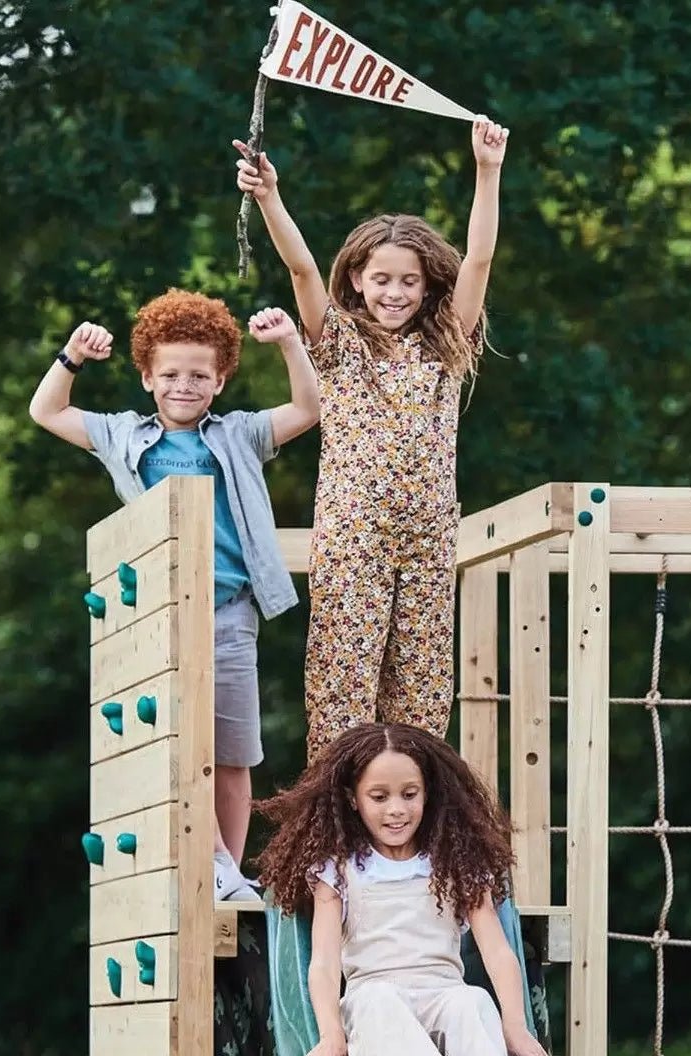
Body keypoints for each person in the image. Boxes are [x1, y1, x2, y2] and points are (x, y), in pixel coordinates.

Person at [28, 290, 319, 900]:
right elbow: (47, 413)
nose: (183, 386)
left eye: (198, 375)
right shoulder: (121, 436)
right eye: (169, 375)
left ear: (219, 381)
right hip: (164, 612)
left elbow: (306, 408)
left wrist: (291, 342)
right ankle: (209, 857)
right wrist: (72, 357)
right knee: (188, 737)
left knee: (236, 753)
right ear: (146, 378)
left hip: (232, 612)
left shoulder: (239, 436)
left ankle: (227, 875)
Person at [234, 117, 509, 761]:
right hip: (355, 526)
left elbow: (481, 259)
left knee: (421, 684)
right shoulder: (340, 344)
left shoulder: (444, 346)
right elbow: (302, 269)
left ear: (426, 286)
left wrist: (488, 172)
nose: (394, 292)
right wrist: (270, 197)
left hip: (428, 531)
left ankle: (412, 816)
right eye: (381, 279)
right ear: (357, 279)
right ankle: (336, 822)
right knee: (344, 680)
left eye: (409, 281)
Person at [255, 723, 555, 1056]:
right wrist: (332, 1035)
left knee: (473, 1003)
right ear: (354, 799)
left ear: (429, 794)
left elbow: (496, 951)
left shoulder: (454, 860)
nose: (397, 809)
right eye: (380, 797)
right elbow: (324, 961)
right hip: (374, 991)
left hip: (442, 988)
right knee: (377, 1007)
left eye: (409, 794)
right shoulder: (337, 869)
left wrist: (514, 1024)